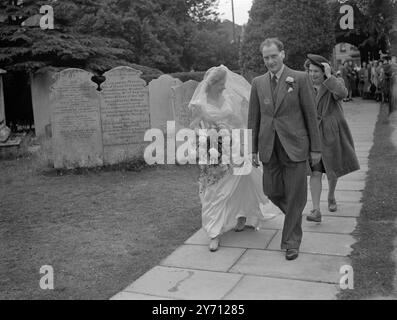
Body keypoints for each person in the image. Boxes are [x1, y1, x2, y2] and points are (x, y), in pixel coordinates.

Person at [248, 38, 322, 261]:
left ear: (283, 54)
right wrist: (251, 148)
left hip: (296, 147)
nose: (270, 61)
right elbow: (254, 118)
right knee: (271, 190)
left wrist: (316, 148)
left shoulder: (299, 78)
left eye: (273, 56)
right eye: (266, 57)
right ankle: (294, 215)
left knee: (296, 195)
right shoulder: (258, 83)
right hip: (269, 147)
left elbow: (311, 115)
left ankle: (291, 242)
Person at [188, 65, 272, 252]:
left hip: (232, 144)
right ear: (212, 83)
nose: (225, 87)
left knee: (243, 180)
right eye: (221, 84)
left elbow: (236, 120)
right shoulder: (198, 104)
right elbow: (193, 126)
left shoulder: (227, 98)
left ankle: (243, 216)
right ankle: (214, 233)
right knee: (216, 191)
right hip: (212, 150)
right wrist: (205, 140)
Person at [305, 54, 360, 222]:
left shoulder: (335, 81)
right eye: (310, 71)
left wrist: (329, 78)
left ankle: (331, 195)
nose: (312, 74)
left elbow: (342, 94)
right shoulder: (304, 85)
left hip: (330, 132)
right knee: (315, 172)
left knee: (331, 171)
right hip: (313, 133)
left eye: (316, 71)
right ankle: (315, 210)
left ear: (325, 71)